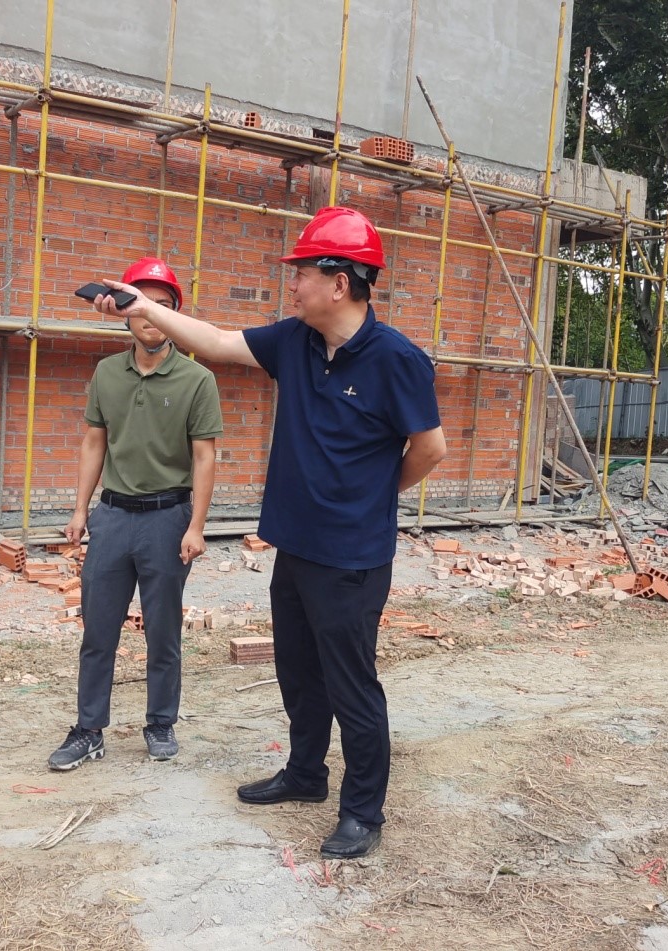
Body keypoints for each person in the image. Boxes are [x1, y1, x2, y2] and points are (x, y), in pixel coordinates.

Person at [90, 208, 446, 858]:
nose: (294, 283)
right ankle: (305, 773)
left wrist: (374, 495)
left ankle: (362, 811)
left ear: (339, 282)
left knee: (351, 684)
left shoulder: (397, 360)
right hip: (296, 544)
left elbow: (430, 448)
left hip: (351, 558)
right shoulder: (295, 341)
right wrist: (142, 305)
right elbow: (216, 341)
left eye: (303, 272)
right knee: (298, 673)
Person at [48, 257, 223, 771]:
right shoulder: (107, 373)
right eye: (141, 305)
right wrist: (80, 510)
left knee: (163, 631)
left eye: (162, 306)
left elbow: (205, 457)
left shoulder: (196, 380)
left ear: (174, 314)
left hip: (168, 520)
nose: (150, 316)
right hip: (113, 518)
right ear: (126, 313)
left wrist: (196, 526)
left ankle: (161, 722)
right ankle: (89, 729)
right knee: (98, 631)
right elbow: (94, 442)